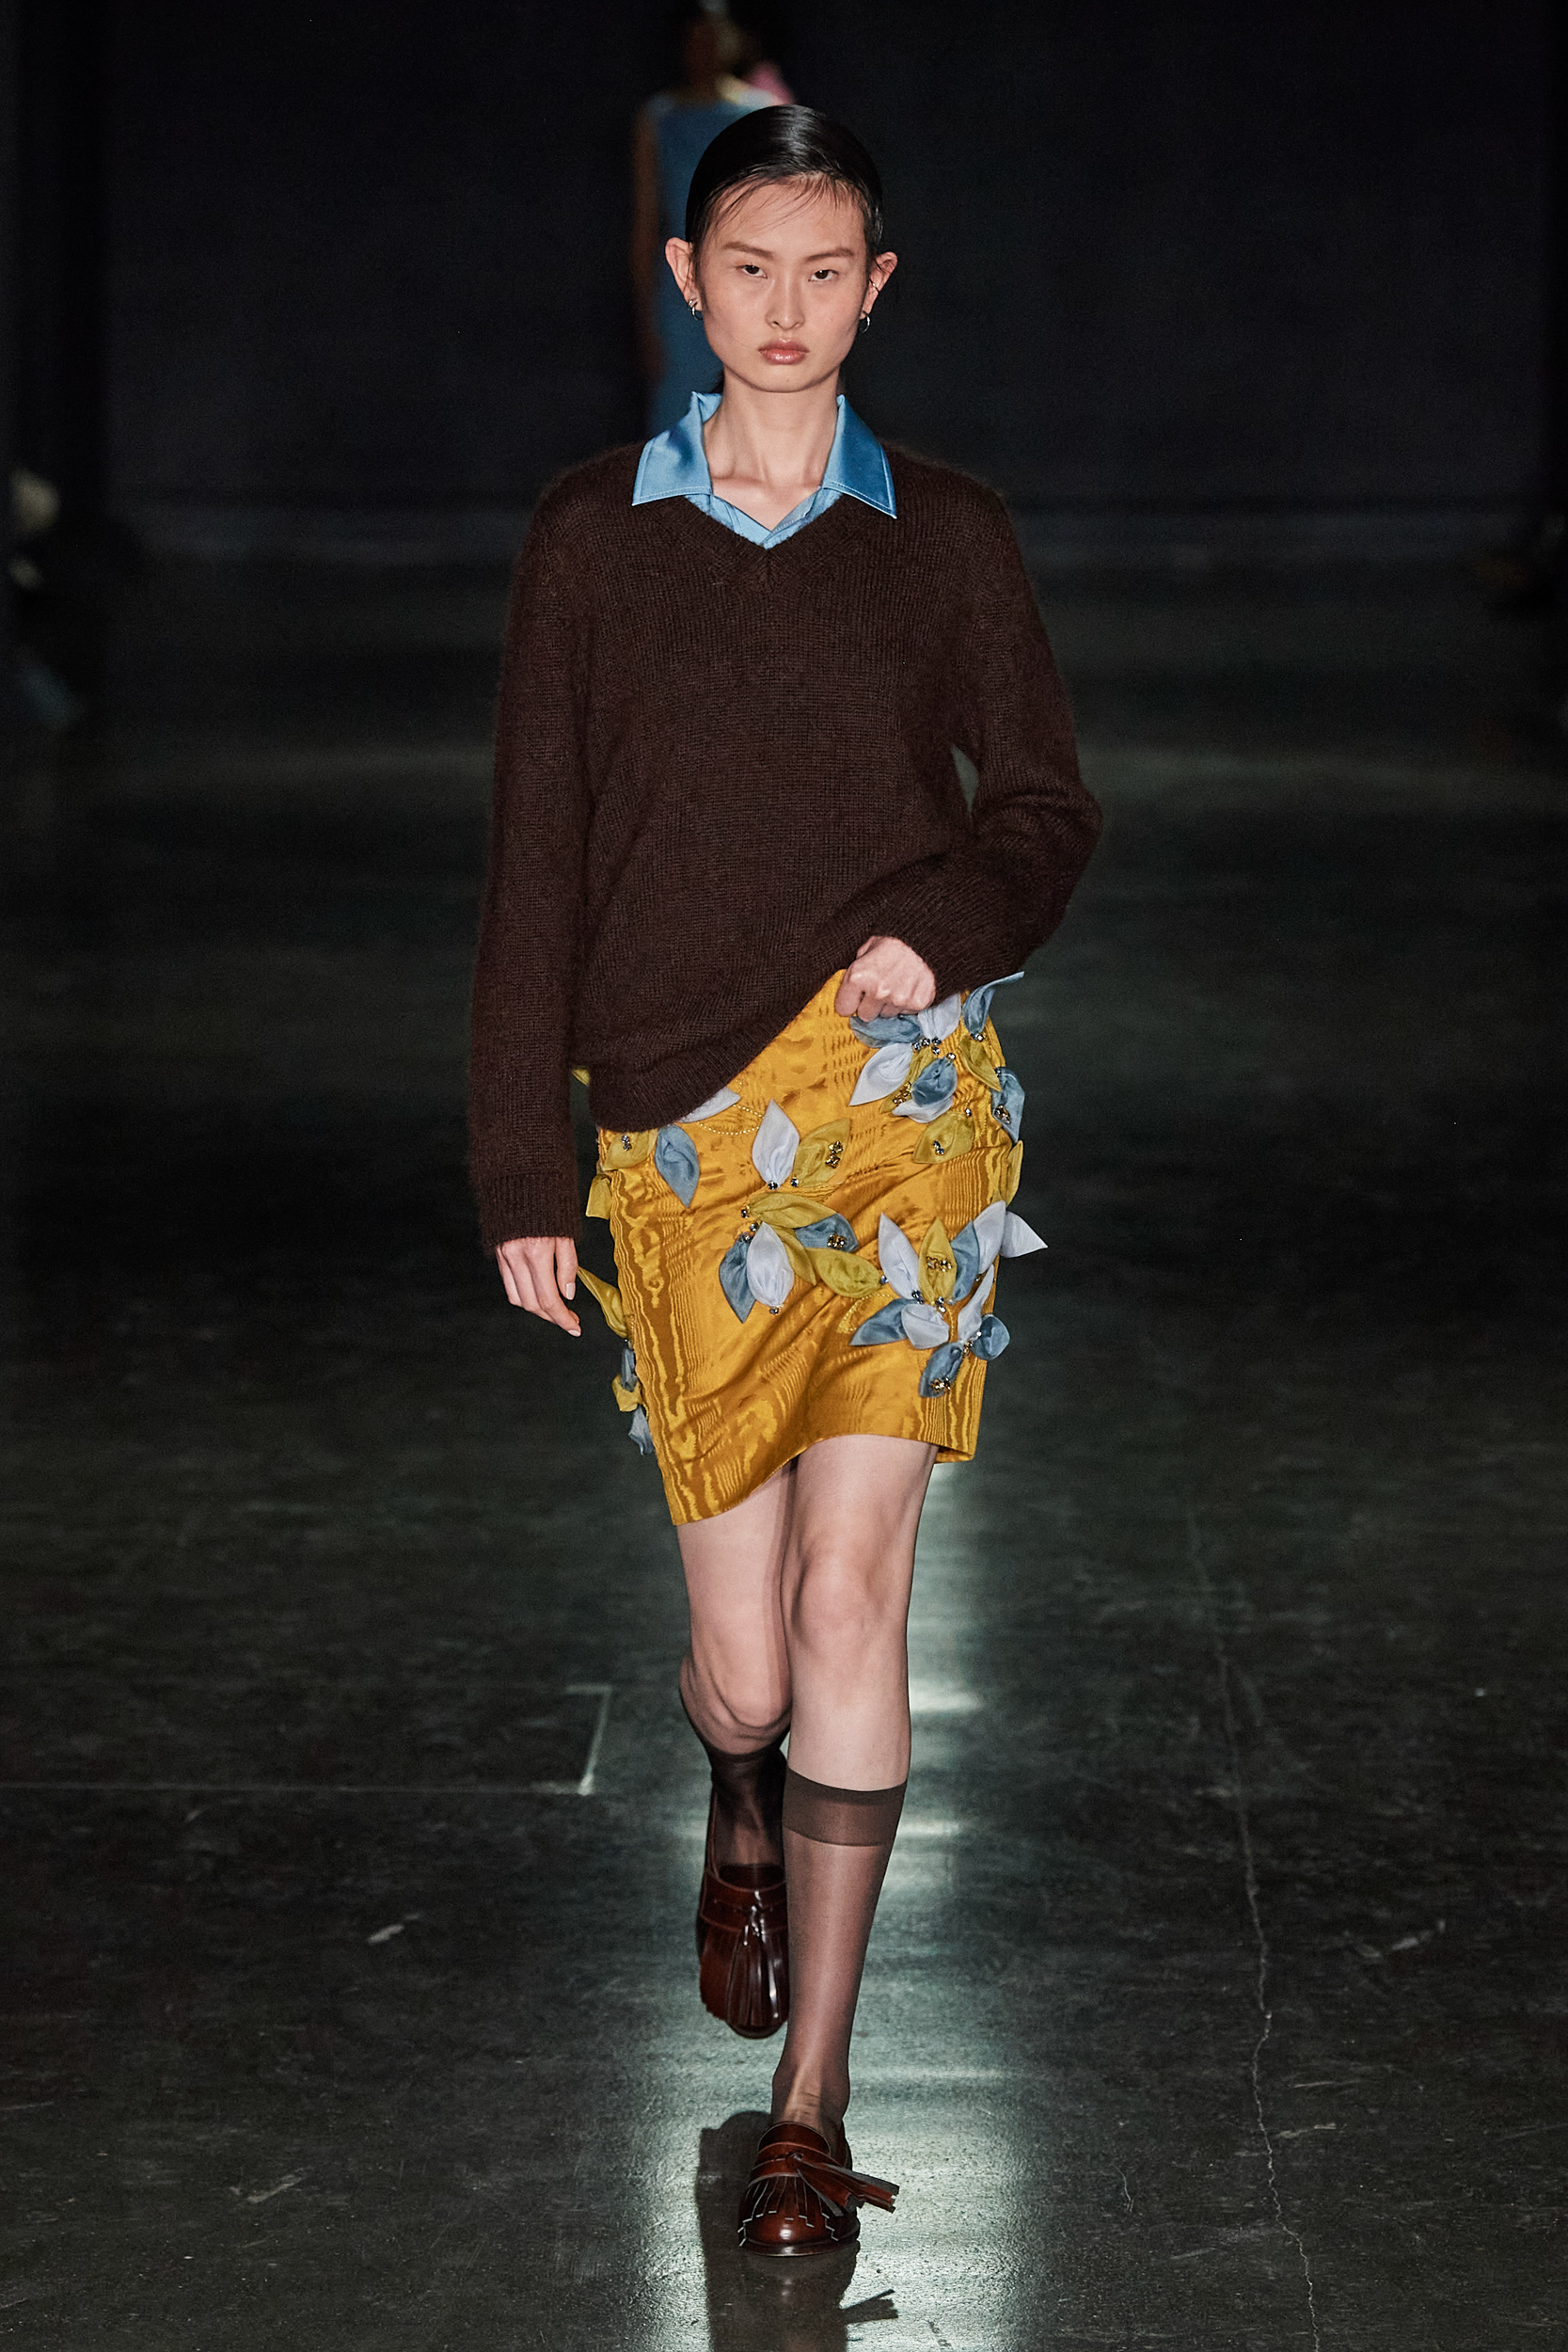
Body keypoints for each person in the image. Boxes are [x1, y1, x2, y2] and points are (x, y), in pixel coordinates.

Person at [471, 105, 1101, 2256]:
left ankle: (811, 2100)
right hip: (675, 1127)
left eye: (826, 272)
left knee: (855, 1606)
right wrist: (517, 1160)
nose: (785, 308)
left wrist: (946, 925)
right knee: (743, 1667)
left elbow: (1044, 808)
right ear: (685, 277)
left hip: (902, 1110)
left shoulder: (947, 536)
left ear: (876, 290)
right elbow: (534, 858)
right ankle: (734, 1789)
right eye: (748, 267)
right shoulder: (590, 536)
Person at [631, 6, 779, 434]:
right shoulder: (661, 118)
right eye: (696, 40)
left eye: (713, 37)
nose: (705, 49)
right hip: (681, 293)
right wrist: (646, 321)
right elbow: (646, 224)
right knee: (680, 419)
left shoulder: (760, 113)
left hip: (746, 287)